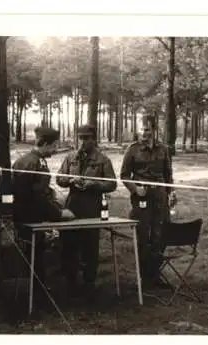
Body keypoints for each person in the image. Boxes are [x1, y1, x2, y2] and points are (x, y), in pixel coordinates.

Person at [11, 126, 75, 307]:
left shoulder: (23, 160)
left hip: (22, 215)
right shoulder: (37, 164)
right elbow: (38, 198)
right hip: (31, 217)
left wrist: (52, 194)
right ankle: (37, 295)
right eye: (54, 146)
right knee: (36, 254)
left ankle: (36, 291)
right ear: (45, 144)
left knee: (34, 254)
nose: (56, 150)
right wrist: (59, 213)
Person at [56, 124, 117, 301]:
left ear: (94, 139)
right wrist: (70, 180)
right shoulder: (70, 157)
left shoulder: (103, 160)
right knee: (69, 244)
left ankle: (89, 284)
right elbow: (59, 178)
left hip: (92, 205)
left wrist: (94, 184)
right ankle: (70, 283)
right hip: (72, 205)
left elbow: (112, 184)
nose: (83, 141)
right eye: (81, 138)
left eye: (87, 138)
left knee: (90, 246)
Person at [120, 114, 177, 288]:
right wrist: (135, 189)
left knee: (161, 235)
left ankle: (155, 274)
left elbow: (168, 174)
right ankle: (144, 278)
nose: (143, 133)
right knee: (143, 236)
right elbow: (124, 175)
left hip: (160, 198)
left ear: (154, 130)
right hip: (141, 200)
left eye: (147, 129)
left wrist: (172, 192)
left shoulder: (163, 149)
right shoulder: (132, 149)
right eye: (141, 129)